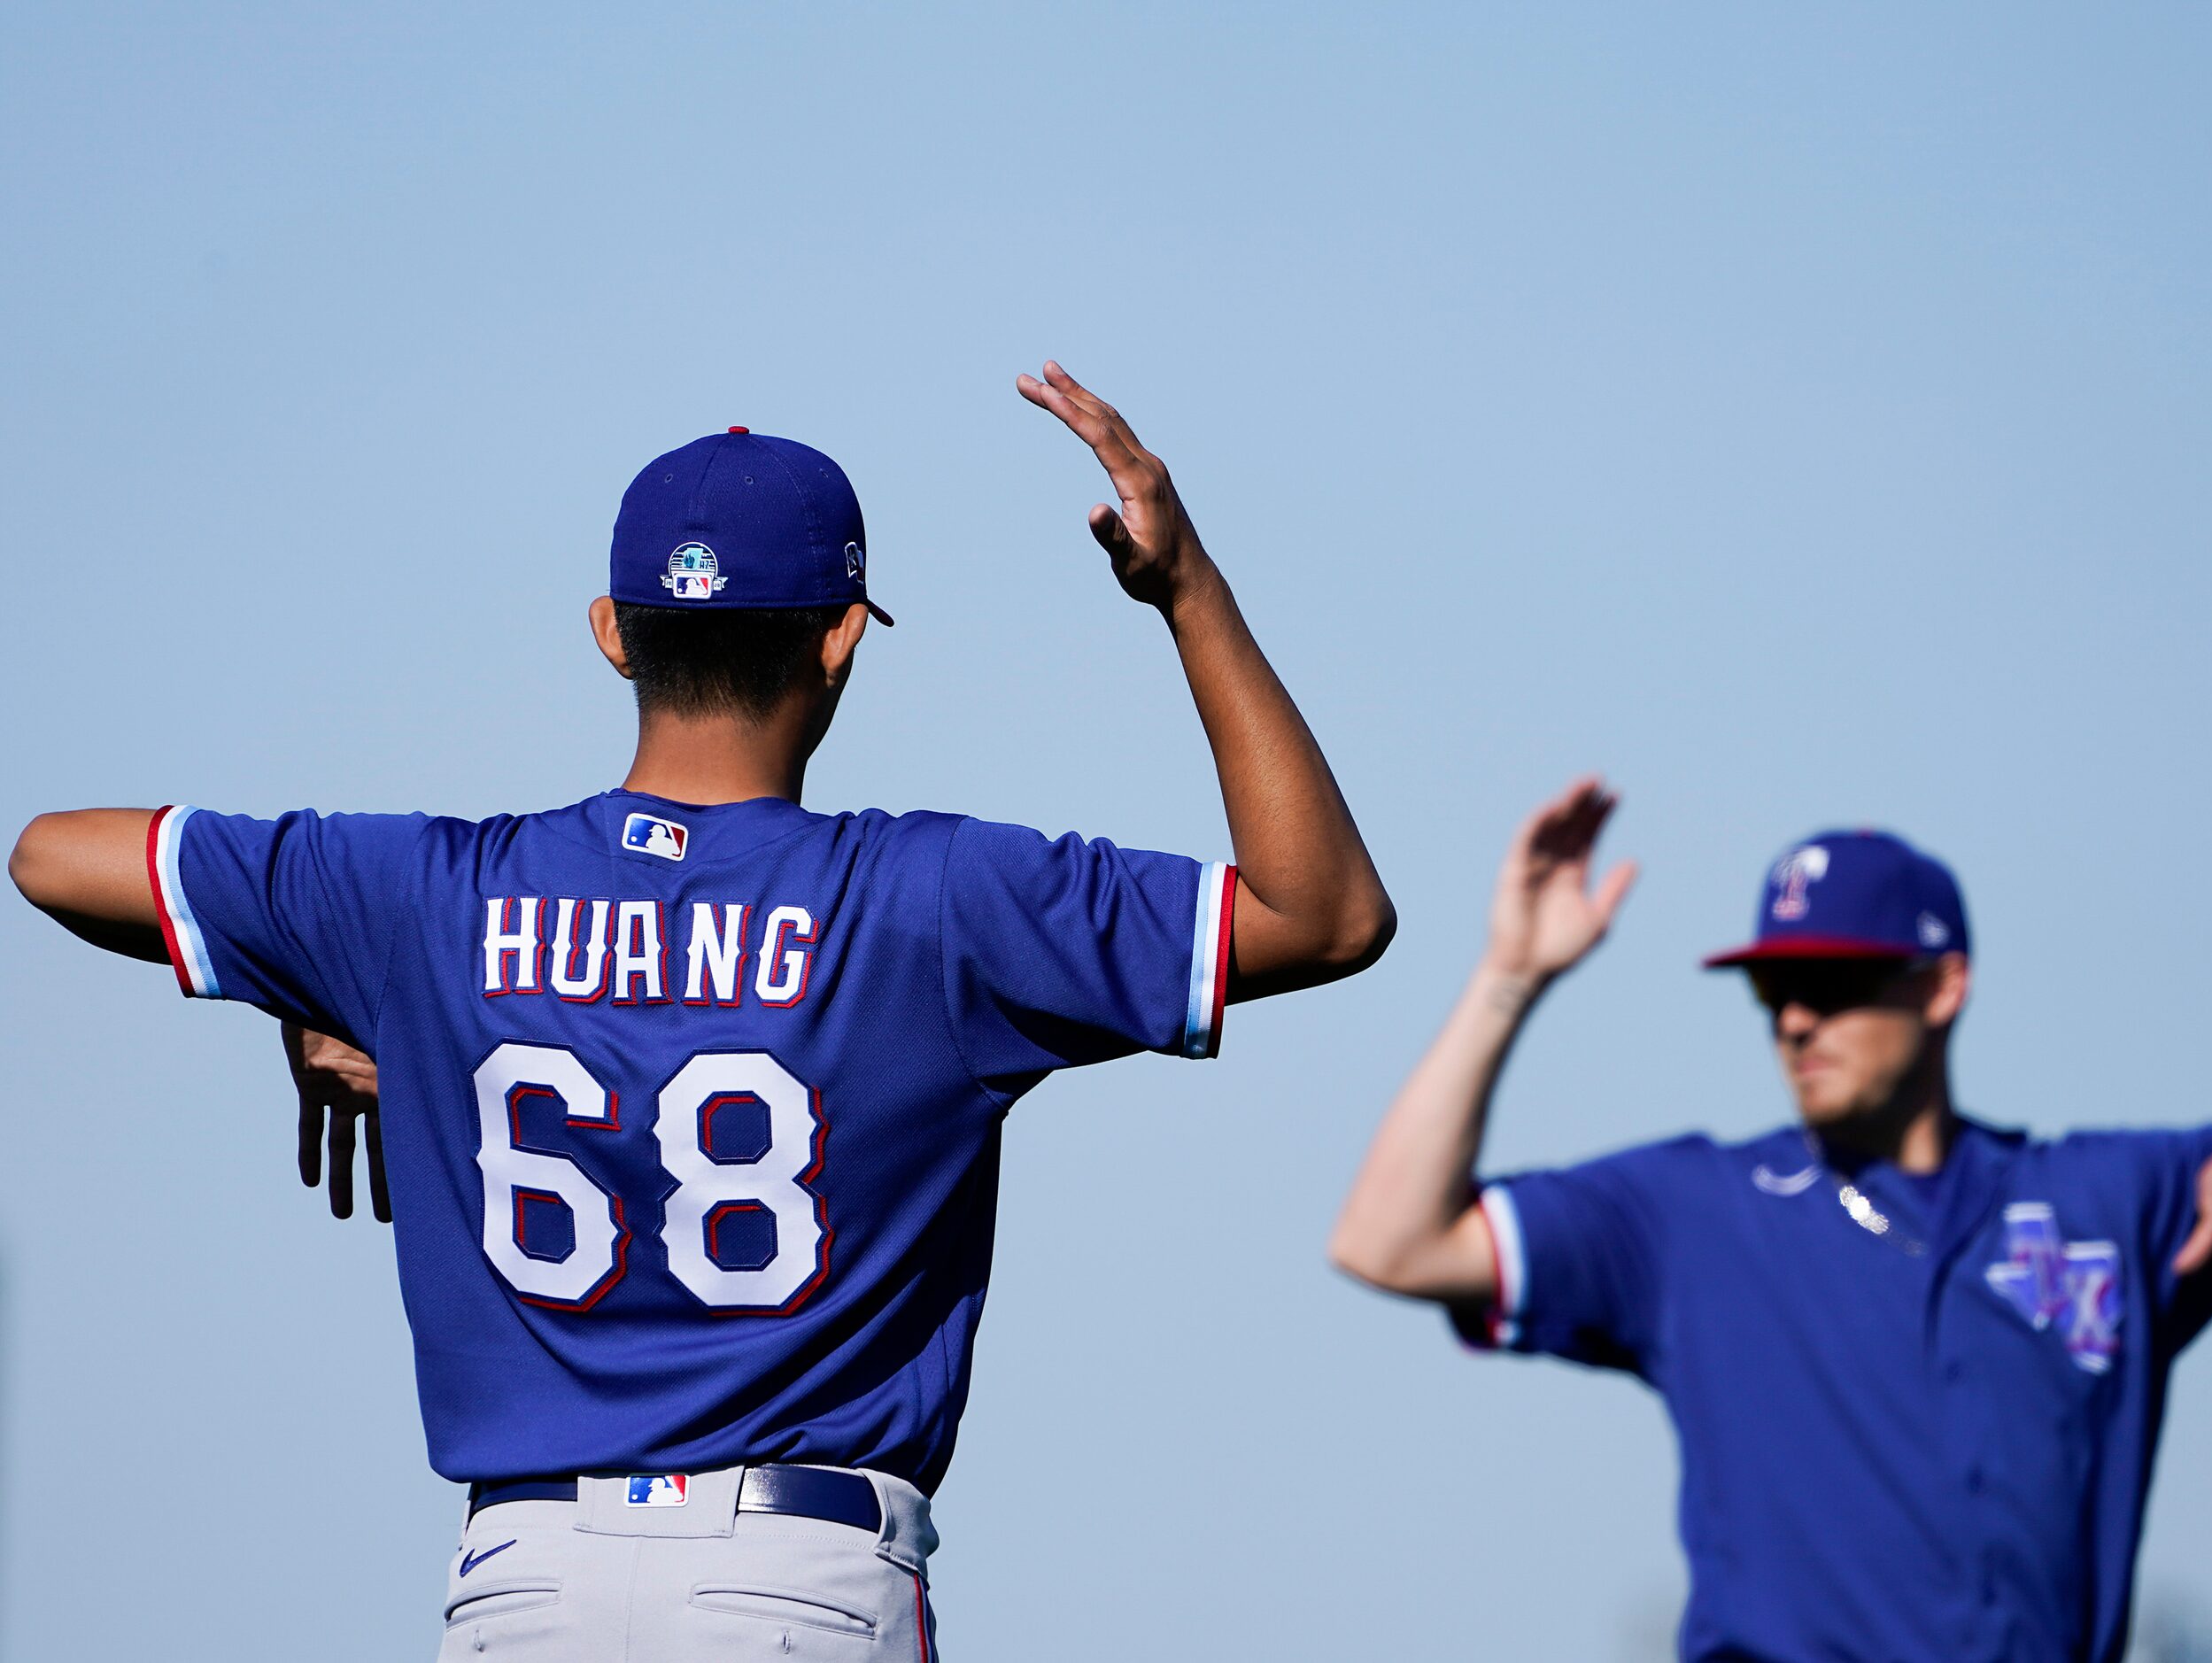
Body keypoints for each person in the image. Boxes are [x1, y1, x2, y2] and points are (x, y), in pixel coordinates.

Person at [12, 364, 1395, 1661]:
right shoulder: (936, 897)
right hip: (797, 1579)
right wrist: (1185, 587)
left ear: (612, 633)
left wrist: (314, 984)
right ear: (843, 637)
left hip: (522, 1584)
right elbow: (1325, 912)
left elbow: (47, 854)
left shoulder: (416, 897)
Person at [1328, 778, 2212, 1663]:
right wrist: (1506, 979)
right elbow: (1387, 1239)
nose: (1795, 1017)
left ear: (1941, 986)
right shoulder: (1693, 1213)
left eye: (1833, 981)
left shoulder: (2107, 1197)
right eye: (1773, 988)